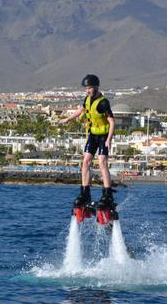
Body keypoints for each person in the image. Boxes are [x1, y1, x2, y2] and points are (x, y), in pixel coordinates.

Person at [60, 74, 117, 223]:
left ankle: (107, 194)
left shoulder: (103, 102)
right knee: (85, 162)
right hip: (92, 135)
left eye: (90, 88)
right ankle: (85, 192)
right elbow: (81, 111)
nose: (88, 91)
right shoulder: (86, 100)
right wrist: (68, 119)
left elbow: (112, 122)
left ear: (96, 87)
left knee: (102, 162)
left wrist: (109, 140)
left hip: (104, 135)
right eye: (86, 88)